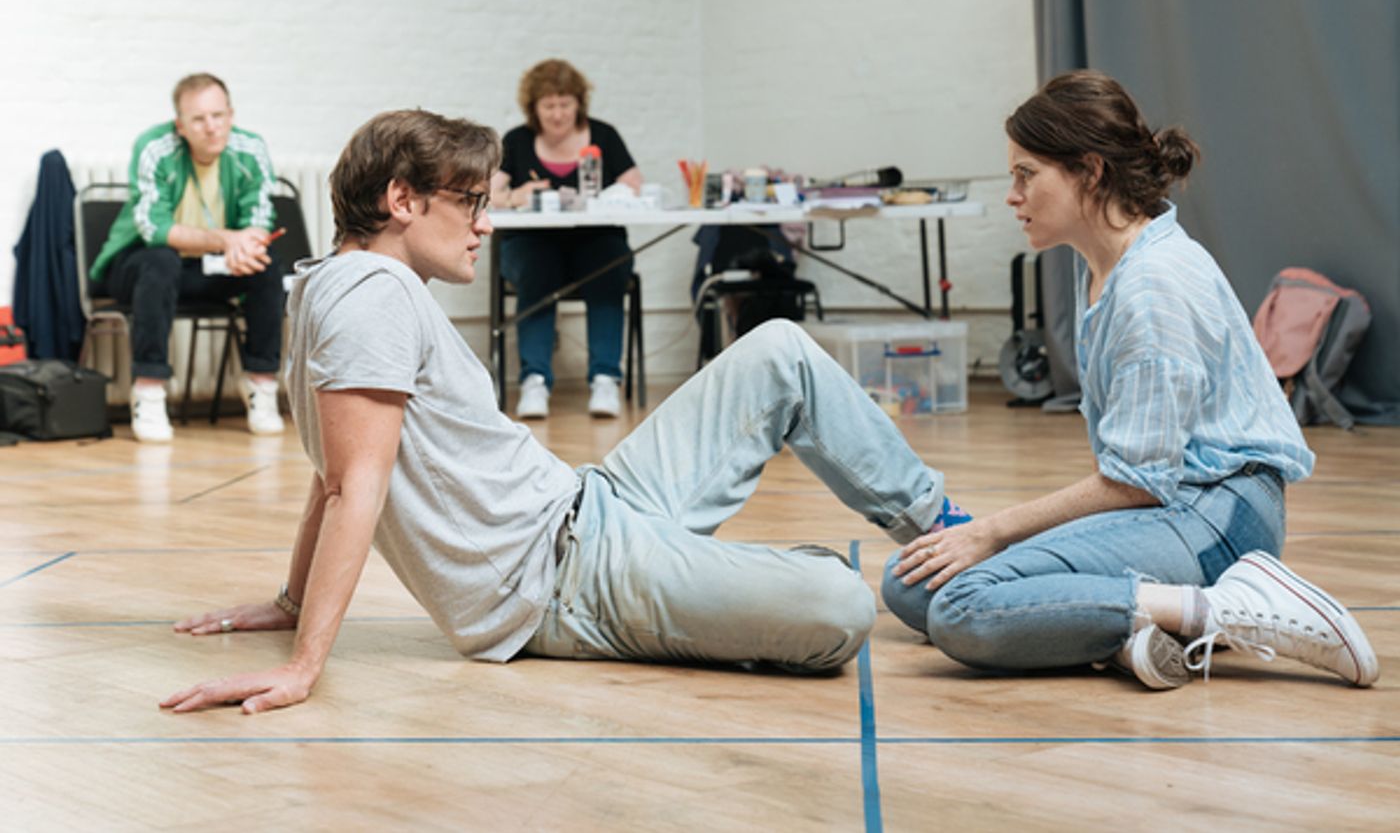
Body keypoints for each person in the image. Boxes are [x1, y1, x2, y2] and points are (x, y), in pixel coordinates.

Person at [159, 109, 969, 715]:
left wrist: (294, 601)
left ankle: (946, 534)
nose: (485, 223)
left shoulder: (330, 282)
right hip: (565, 582)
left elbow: (329, 472)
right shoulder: (372, 294)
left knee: (781, 351)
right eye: (468, 202)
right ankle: (869, 565)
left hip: (593, 505)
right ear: (401, 199)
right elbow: (350, 488)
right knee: (842, 606)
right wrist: (305, 664)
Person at [881, 71, 1379, 690]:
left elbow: (1135, 483)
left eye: (1025, 174)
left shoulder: (1152, 287)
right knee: (909, 585)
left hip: (1218, 520)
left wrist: (992, 530)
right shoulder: (1105, 265)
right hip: (1173, 505)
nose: (1013, 195)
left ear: (1089, 171)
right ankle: (1134, 635)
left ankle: (1223, 610)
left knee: (961, 610)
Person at [89, 73, 284, 443]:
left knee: (267, 263)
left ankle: (261, 384)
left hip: (209, 267)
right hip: (140, 267)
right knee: (161, 259)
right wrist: (226, 240)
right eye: (198, 119)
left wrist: (247, 247)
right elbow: (156, 230)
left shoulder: (251, 149)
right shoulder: (154, 148)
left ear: (231, 114)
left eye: (218, 115)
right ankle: (149, 389)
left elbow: (259, 222)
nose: (211, 128)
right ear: (181, 126)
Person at [488, 59, 643, 420]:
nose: (558, 114)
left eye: (565, 104)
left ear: (579, 104)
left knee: (609, 264)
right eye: (549, 106)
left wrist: (615, 194)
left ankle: (605, 378)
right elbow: (487, 193)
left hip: (595, 239)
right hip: (532, 244)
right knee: (538, 269)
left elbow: (633, 182)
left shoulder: (604, 136)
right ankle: (535, 381)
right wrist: (516, 195)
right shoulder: (517, 140)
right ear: (534, 108)